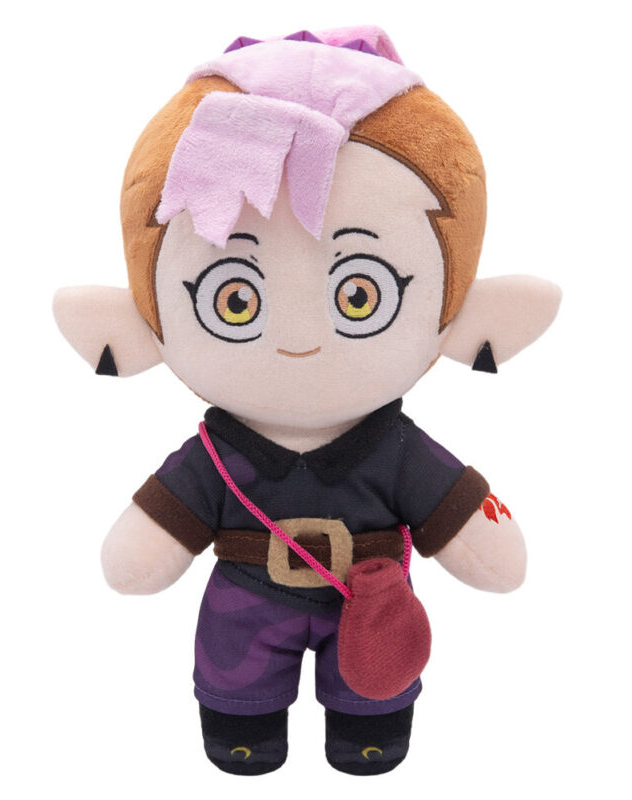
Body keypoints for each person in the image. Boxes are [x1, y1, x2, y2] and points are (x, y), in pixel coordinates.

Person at [54, 26, 560, 776]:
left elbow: (480, 541)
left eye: (361, 294)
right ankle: (244, 729)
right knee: (237, 696)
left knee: (371, 705)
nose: (297, 339)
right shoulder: (217, 456)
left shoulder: (395, 450)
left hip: (370, 607)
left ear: (464, 312)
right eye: (234, 298)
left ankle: (366, 730)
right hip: (243, 604)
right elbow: (139, 557)